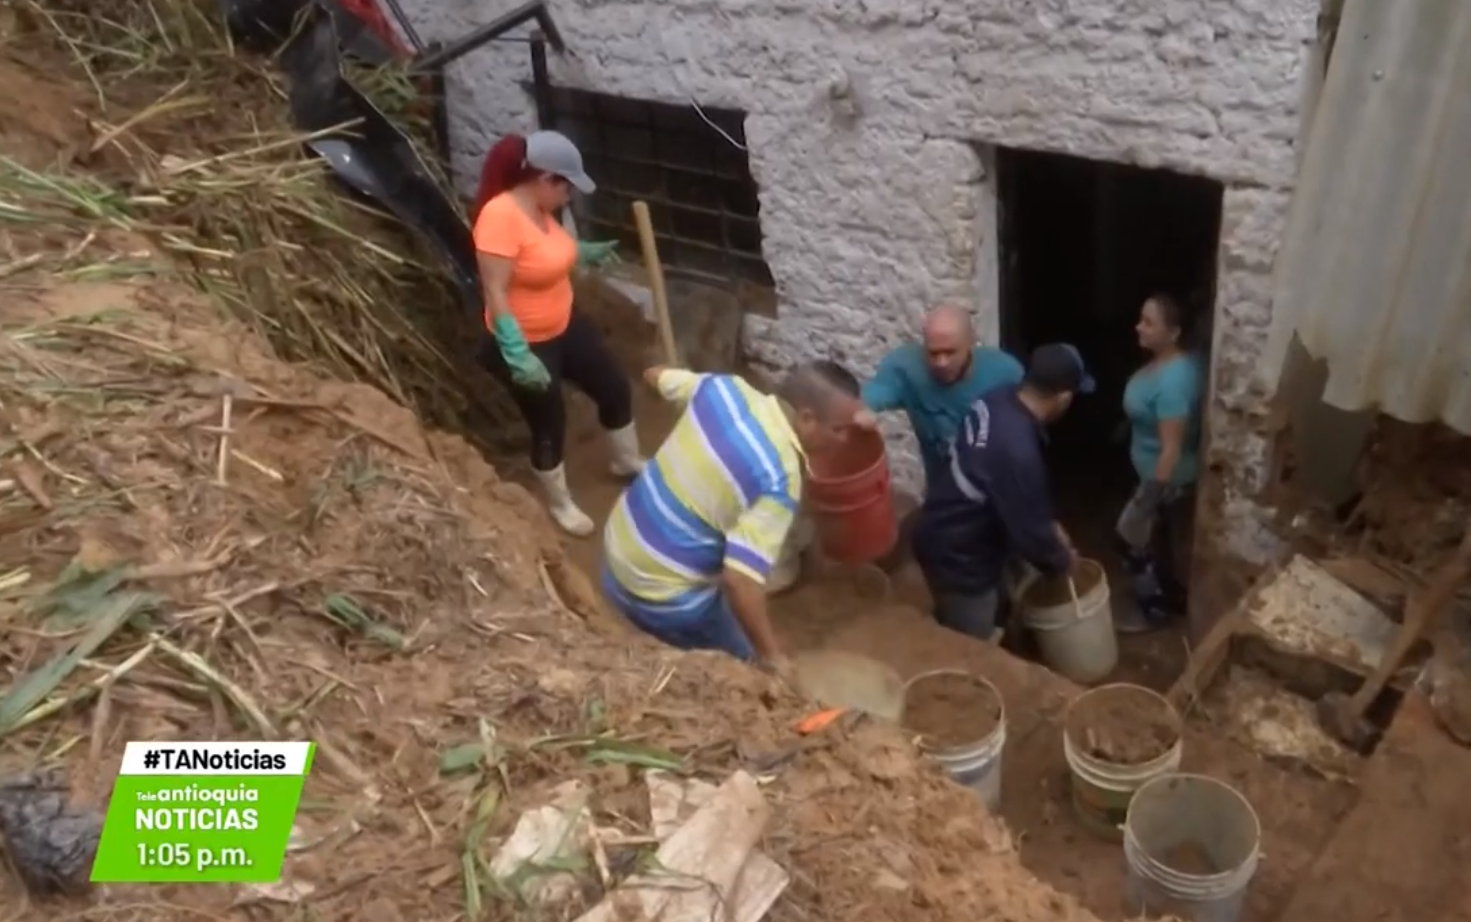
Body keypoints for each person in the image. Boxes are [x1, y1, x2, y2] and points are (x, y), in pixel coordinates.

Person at [600, 360, 865, 676]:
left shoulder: (724, 389)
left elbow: (652, 375)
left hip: (615, 553)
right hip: (658, 597)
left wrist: (657, 389)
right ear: (807, 419)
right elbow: (739, 582)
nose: (845, 439)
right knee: (747, 665)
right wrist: (772, 657)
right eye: (839, 430)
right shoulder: (780, 477)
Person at [472, 130, 641, 537]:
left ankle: (627, 461)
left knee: (614, 387)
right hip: (525, 341)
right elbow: (495, 289)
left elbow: (544, 254)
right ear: (545, 179)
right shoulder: (499, 217)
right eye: (566, 186)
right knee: (549, 422)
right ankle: (561, 503)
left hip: (565, 324)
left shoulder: (542, 212)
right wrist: (515, 350)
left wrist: (583, 252)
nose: (569, 196)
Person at [909, 344, 1094, 642]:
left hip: (947, 520)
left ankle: (997, 629)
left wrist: (1047, 524)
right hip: (958, 557)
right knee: (971, 643)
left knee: (997, 600)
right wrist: (1061, 561)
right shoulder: (1017, 450)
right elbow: (1031, 536)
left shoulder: (998, 399)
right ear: (1063, 397)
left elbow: (1013, 494)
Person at [854, 305, 1024, 562]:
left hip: (993, 490)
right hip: (942, 486)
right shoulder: (906, 368)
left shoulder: (1005, 373)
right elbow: (878, 392)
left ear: (971, 343)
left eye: (950, 352)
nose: (941, 362)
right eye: (933, 353)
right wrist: (863, 411)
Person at [1114, 294, 1205, 634]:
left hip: (1164, 477)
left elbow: (1172, 447)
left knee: (1129, 540)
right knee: (1160, 543)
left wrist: (1149, 499)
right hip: (1153, 471)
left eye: (1149, 322)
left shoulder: (1173, 382)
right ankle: (1172, 595)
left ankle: (1152, 612)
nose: (1139, 327)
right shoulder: (1174, 364)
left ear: (1175, 332)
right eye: (1141, 318)